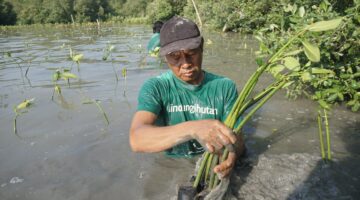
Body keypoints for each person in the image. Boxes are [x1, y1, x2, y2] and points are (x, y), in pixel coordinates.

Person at [130, 16, 244, 178]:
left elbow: (238, 141)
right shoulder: (156, 87)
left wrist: (232, 154)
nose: (185, 63)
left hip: (212, 163)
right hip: (172, 166)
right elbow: (137, 139)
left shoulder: (224, 86)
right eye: (175, 57)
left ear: (202, 47)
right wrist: (193, 128)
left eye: (191, 53)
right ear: (164, 56)